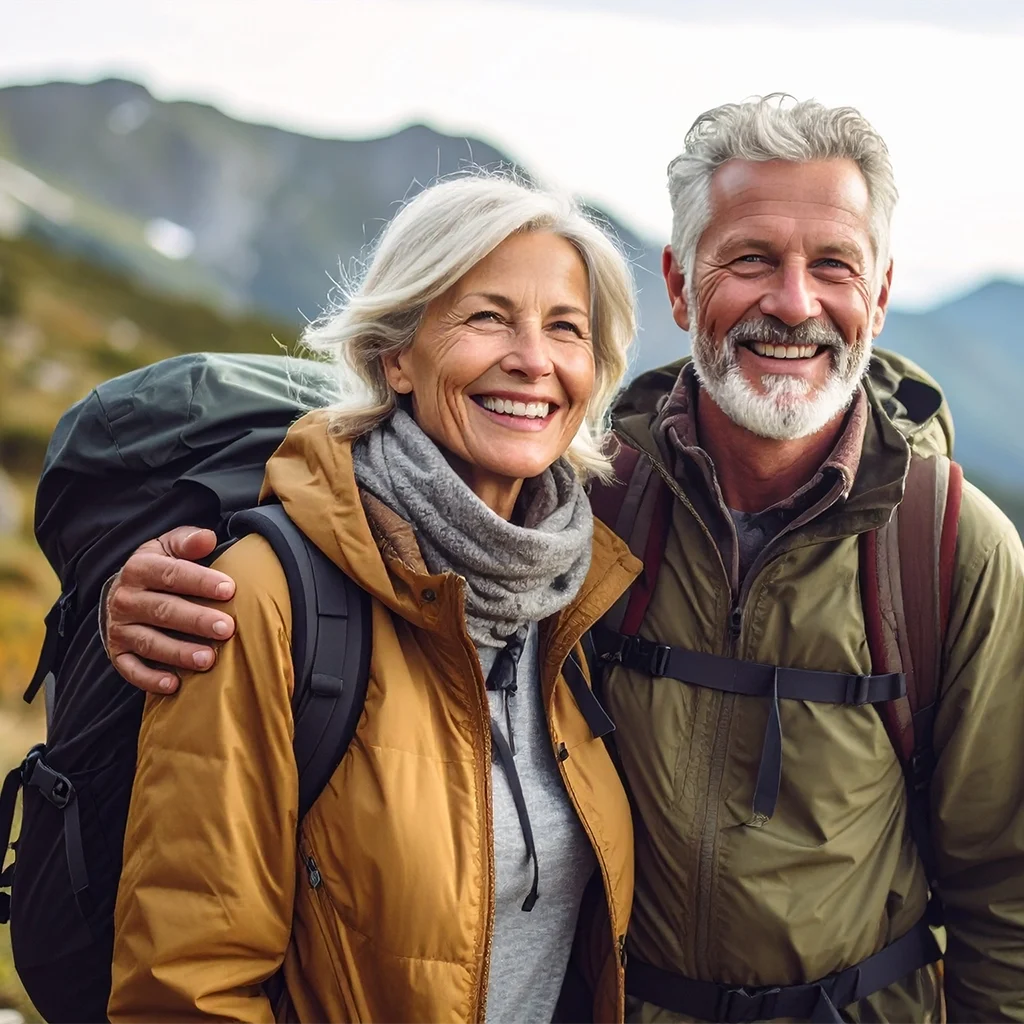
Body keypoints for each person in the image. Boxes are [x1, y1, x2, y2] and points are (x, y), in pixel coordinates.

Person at [106, 97, 1024, 1023]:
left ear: (881, 291)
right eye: (750, 259)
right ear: (679, 284)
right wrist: (154, 590)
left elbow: (1008, 892)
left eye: (833, 265)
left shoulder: (944, 549)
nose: (793, 302)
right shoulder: (596, 511)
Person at [104, 173, 644, 1024]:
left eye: (565, 328)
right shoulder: (262, 599)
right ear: (396, 354)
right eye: (488, 316)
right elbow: (185, 989)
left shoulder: (574, 596)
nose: (534, 359)